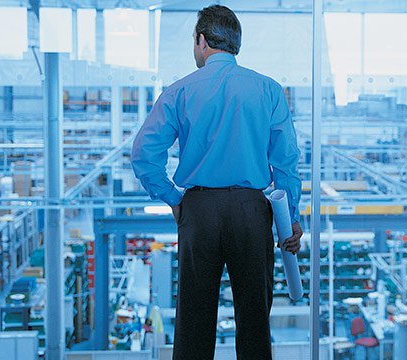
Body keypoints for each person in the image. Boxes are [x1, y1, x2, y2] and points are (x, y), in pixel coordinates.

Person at [131, 5, 303, 359]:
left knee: (194, 322)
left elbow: (144, 155)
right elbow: (285, 161)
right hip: (252, 211)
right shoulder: (269, 90)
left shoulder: (179, 91)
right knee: (255, 321)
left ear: (202, 41)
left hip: (199, 211)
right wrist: (292, 218)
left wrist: (173, 199)